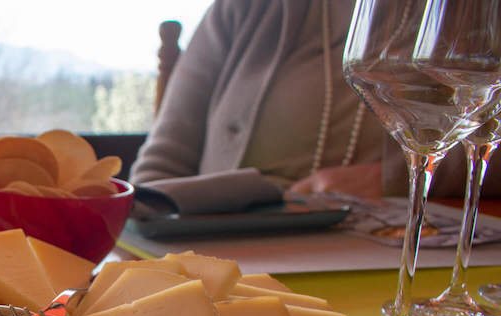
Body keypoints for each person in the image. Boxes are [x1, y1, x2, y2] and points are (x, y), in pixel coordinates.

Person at [129, 0, 498, 199]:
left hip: (401, 252)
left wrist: (391, 178)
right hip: (233, 246)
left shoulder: (479, 15)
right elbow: (157, 173)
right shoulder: (247, 8)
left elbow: (488, 143)